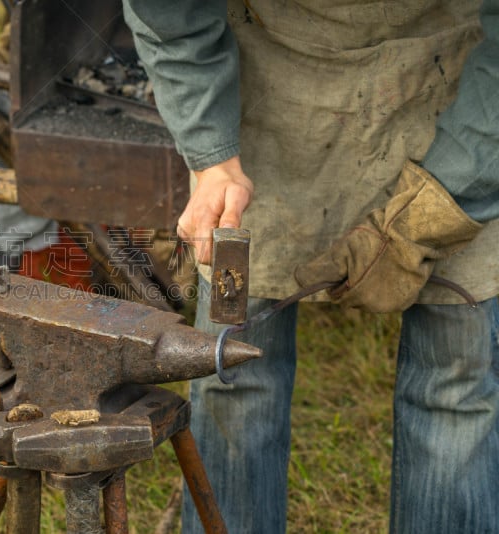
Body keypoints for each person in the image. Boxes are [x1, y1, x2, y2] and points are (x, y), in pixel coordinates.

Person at [122, 1, 499, 532]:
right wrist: (213, 157)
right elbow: (170, 15)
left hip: (462, 85)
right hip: (269, 89)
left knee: (454, 381)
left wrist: (430, 219)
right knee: (235, 381)